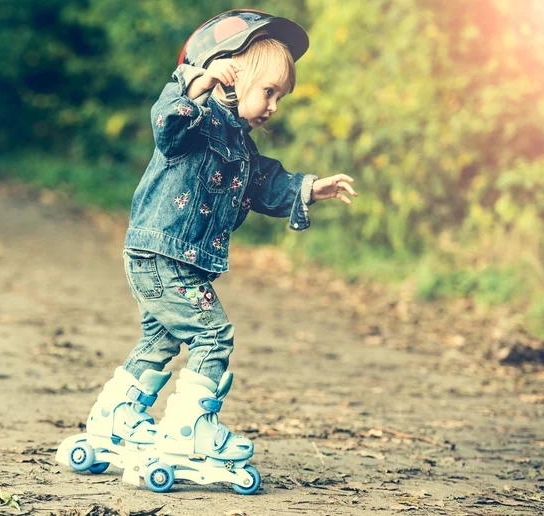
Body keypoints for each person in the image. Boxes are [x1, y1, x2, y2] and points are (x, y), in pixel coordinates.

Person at [56, 9, 357, 494]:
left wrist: (310, 188)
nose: (275, 106)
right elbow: (166, 124)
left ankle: (116, 418)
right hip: (161, 254)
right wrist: (199, 83)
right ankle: (188, 430)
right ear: (231, 77)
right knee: (213, 334)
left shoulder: (239, 143)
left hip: (171, 258)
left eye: (281, 96)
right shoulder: (192, 119)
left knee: (160, 342)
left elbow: (265, 182)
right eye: (269, 92)